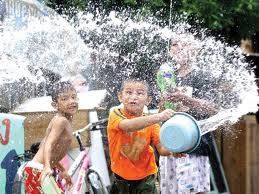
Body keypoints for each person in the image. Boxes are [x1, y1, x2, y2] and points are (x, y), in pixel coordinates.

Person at [158, 35, 222, 194]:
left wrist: (186, 99)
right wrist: (163, 104)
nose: (178, 47)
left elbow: (215, 109)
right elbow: (161, 112)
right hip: (170, 144)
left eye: (184, 44)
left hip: (194, 146)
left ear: (195, 50)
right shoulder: (167, 76)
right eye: (174, 44)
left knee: (193, 191)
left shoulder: (204, 75)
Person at [107, 77, 185, 194]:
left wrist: (174, 150)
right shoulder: (115, 114)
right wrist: (158, 117)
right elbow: (128, 126)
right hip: (120, 178)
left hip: (146, 178)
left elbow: (162, 149)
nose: (134, 97)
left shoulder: (152, 124)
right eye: (128, 92)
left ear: (148, 100)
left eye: (140, 93)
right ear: (120, 97)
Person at [23, 81, 78, 194]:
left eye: (74, 97)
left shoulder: (64, 120)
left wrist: (62, 170)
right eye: (65, 99)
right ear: (55, 105)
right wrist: (48, 166)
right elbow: (49, 144)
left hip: (39, 169)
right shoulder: (60, 121)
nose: (71, 101)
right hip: (38, 170)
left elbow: (48, 149)